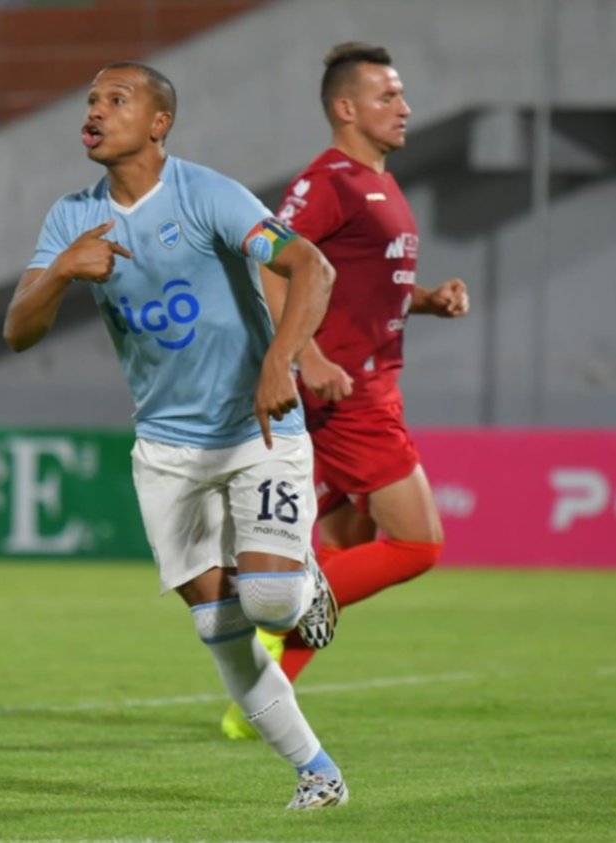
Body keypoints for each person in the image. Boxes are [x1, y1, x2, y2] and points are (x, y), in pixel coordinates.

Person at [3, 61, 349, 810]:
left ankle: (305, 580)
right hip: (166, 449)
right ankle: (318, 773)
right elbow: (18, 331)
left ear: (159, 123)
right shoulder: (72, 216)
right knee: (219, 627)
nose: (95, 111)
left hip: (257, 427)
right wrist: (61, 270)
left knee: (266, 602)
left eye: (116, 100)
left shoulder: (206, 195)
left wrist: (279, 360)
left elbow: (309, 266)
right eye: (90, 99)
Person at [220, 42, 471, 740]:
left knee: (345, 539)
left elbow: (364, 285)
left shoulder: (379, 184)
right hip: (349, 396)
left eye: (401, 95)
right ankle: (280, 613)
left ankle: (263, 699)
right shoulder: (326, 181)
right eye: (388, 96)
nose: (405, 107)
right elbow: (272, 267)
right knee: (418, 544)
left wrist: (426, 300)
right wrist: (306, 355)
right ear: (346, 107)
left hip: (368, 385)